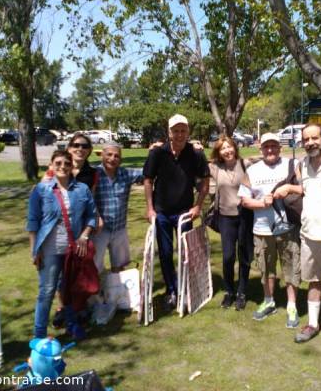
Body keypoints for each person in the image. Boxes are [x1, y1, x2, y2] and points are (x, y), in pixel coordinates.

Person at [273, 123, 321, 352]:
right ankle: (313, 324)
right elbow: (308, 190)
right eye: (306, 139)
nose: (310, 143)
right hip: (308, 235)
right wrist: (290, 187)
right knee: (313, 282)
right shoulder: (302, 165)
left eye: (314, 138)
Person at [27, 150, 96, 339]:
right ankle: (39, 335)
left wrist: (84, 236)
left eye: (66, 163)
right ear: (51, 165)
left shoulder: (81, 189)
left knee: (70, 291)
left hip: (73, 250)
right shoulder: (41, 190)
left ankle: (72, 325)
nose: (62, 167)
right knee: (47, 291)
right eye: (58, 163)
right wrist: (35, 250)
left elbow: (91, 216)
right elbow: (32, 222)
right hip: (49, 250)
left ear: (72, 166)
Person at [143, 114, 210, 311]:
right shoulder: (157, 153)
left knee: (185, 252)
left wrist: (198, 205)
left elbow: (205, 181)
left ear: (188, 132)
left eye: (183, 130)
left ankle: (185, 287)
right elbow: (148, 180)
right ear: (169, 132)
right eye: (176, 130)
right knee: (165, 253)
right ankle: (172, 290)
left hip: (184, 212)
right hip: (162, 212)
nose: (180, 134)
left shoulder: (195, 153)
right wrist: (149, 208)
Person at [238, 132, 301, 328]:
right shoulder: (252, 171)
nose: (270, 150)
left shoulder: (292, 166)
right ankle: (269, 301)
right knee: (266, 269)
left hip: (288, 228)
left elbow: (305, 189)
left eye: (274, 146)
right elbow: (243, 199)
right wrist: (260, 203)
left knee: (291, 267)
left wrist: (289, 188)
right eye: (267, 146)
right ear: (261, 149)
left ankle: (292, 306)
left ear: (280, 147)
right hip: (262, 229)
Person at [209, 136, 254, 310]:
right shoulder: (214, 167)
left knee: (244, 255)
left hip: (244, 216)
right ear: (219, 152)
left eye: (229, 147)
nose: (227, 151)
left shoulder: (246, 165)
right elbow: (197, 163)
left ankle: (242, 292)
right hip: (225, 218)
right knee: (228, 256)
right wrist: (195, 147)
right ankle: (229, 291)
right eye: (223, 148)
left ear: (235, 148)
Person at [93, 142, 144, 274]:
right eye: (109, 154)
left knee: (120, 266)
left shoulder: (125, 173)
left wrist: (156, 153)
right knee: (94, 267)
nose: (112, 158)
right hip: (99, 231)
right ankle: (97, 294)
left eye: (116, 156)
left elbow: (147, 172)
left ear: (120, 160)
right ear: (102, 155)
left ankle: (117, 292)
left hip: (119, 229)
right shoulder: (94, 174)